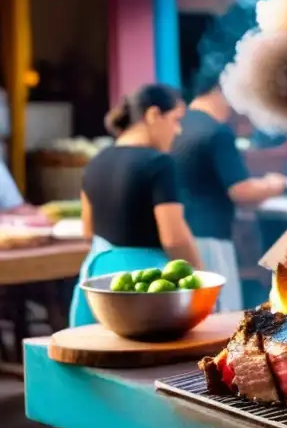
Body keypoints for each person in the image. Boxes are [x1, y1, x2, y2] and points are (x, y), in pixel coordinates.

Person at [70, 84, 201, 327]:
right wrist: (201, 278)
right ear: (153, 115)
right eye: (175, 120)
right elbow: (174, 238)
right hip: (147, 287)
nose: (178, 130)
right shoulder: (160, 164)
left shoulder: (96, 161)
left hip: (97, 281)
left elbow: (87, 231)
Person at [171, 76, 287, 312]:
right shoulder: (217, 131)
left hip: (178, 237)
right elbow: (241, 191)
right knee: (218, 314)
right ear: (221, 90)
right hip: (211, 240)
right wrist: (275, 184)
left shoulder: (176, 124)